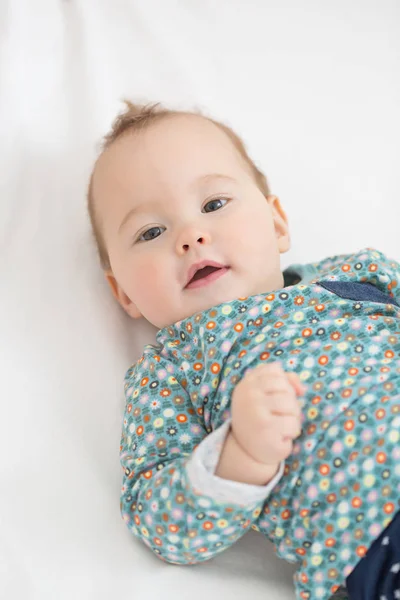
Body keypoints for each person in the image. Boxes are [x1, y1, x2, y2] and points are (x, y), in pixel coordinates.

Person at [87, 101, 400, 600]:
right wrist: (239, 456)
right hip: (373, 532)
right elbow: (162, 525)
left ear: (277, 224)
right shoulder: (170, 372)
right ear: (123, 291)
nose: (192, 236)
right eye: (150, 232)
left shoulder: (358, 271)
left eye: (213, 204)